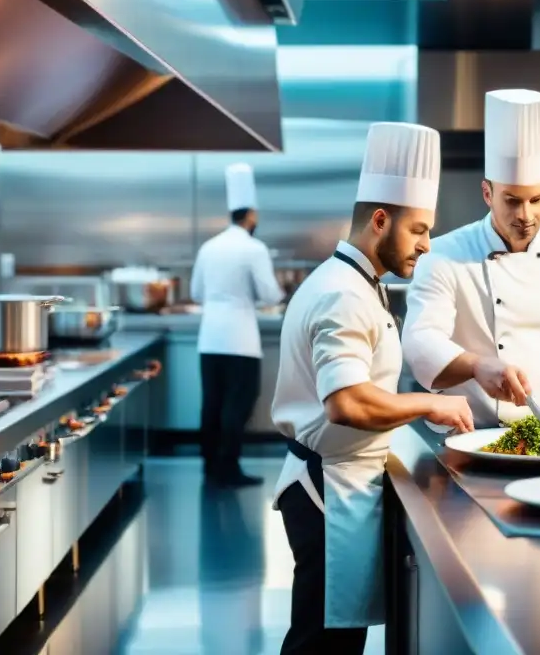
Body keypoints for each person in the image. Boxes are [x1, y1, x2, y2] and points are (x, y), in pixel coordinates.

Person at [271, 122, 474, 655]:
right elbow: (347, 402)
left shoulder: (360, 283)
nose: (426, 246)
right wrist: (431, 403)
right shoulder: (344, 294)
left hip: (340, 484)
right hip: (327, 491)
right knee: (322, 646)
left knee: (331, 640)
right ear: (381, 220)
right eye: (419, 231)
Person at [401, 89, 540, 433]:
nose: (525, 215)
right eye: (511, 200)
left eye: (537, 199)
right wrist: (476, 365)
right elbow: (420, 340)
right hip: (462, 437)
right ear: (487, 193)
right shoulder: (444, 256)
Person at [191, 163, 285, 488]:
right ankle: (228, 469)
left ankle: (209, 465)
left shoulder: (209, 247)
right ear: (251, 216)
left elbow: (195, 293)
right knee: (238, 402)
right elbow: (270, 293)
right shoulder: (254, 248)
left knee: (212, 402)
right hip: (240, 338)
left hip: (209, 337)